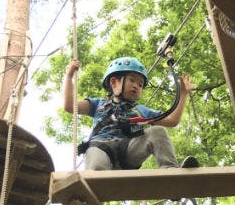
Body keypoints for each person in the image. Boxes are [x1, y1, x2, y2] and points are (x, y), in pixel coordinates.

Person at [63, 56, 199, 171]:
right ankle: (95, 186)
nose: (136, 86)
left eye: (140, 85)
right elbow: (70, 106)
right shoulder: (98, 104)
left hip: (128, 149)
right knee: (97, 165)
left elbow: (172, 120)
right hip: (100, 146)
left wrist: (183, 94)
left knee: (157, 131)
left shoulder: (140, 110)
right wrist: (69, 77)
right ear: (114, 83)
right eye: (132, 80)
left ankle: (170, 171)